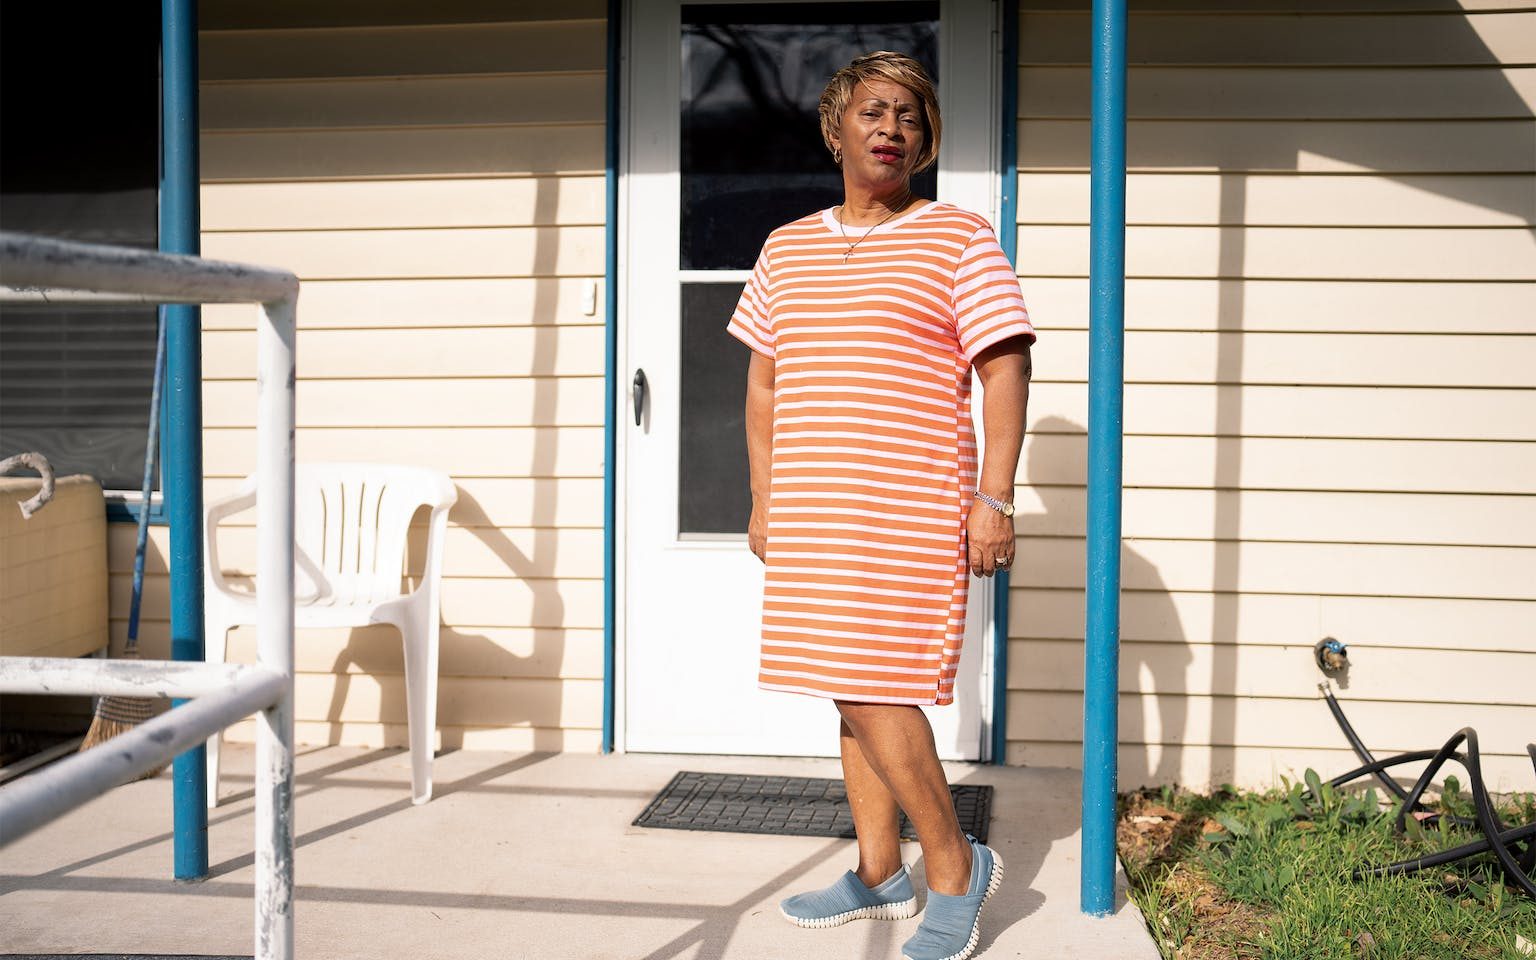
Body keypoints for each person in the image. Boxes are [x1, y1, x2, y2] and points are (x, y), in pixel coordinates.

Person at [727, 51, 1035, 960]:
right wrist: (764, 497)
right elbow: (763, 386)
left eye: (908, 116)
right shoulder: (786, 247)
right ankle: (877, 871)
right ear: (837, 129)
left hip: (909, 506)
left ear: (924, 141)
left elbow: (1005, 368)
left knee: (877, 683)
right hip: (814, 507)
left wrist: (994, 498)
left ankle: (954, 868)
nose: (891, 129)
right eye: (873, 112)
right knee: (846, 685)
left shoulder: (959, 237)